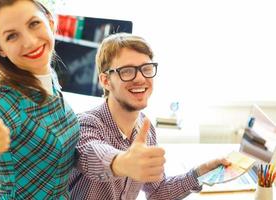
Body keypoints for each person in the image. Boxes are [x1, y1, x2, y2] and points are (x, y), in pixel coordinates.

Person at [68, 33, 231, 199]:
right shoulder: (85, 124)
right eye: (127, 71)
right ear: (105, 81)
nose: (140, 78)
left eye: (146, 69)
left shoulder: (145, 129)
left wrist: (198, 174)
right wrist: (122, 162)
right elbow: (91, 156)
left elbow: (157, 192)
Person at [0, 0, 80, 198]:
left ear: (50, 22)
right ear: (0, 49)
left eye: (34, 24)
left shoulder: (49, 78)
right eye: (12, 36)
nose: (30, 42)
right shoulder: (1, 100)